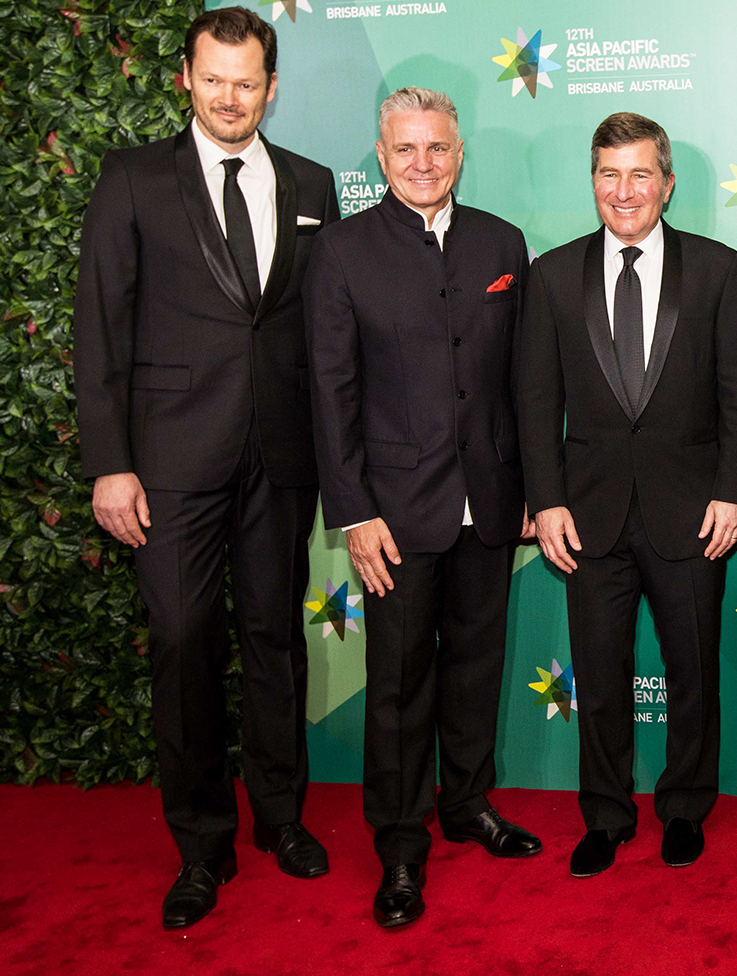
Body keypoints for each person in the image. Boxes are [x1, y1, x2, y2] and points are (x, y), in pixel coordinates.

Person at [73, 6, 337, 930]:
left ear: (272, 85)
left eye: (249, 80)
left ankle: (280, 818)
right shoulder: (134, 177)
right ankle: (200, 844)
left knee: (275, 640)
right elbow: (99, 327)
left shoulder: (311, 183)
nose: (232, 97)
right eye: (214, 78)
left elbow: (315, 328)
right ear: (185, 77)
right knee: (185, 643)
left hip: (281, 456)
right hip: (170, 463)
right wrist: (110, 464)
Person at [303, 87, 541, 929]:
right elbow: (331, 395)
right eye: (405, 150)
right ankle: (401, 845)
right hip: (393, 518)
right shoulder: (339, 252)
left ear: (459, 150)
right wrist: (354, 511)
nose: (422, 164)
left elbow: (524, 380)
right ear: (380, 152)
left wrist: (529, 493)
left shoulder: (501, 241)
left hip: (490, 503)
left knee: (477, 666)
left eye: (436, 148)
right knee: (399, 686)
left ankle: (468, 805)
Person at [516, 112, 737, 877]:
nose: (624, 191)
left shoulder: (719, 270)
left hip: (693, 512)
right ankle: (607, 814)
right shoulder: (551, 275)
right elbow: (533, 400)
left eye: (640, 174)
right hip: (586, 516)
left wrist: (733, 491)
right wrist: (546, 498)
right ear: (593, 181)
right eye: (609, 175)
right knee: (601, 669)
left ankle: (685, 806)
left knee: (693, 672)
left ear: (668, 183)